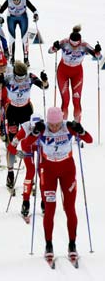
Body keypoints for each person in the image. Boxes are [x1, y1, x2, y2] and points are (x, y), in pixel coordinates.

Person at [21, 107, 92, 262]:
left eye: (57, 124)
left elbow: (89, 140)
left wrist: (81, 130)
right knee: (50, 209)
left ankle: (72, 244)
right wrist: (34, 133)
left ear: (61, 120)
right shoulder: (42, 128)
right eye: (51, 125)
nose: (54, 128)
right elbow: (26, 144)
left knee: (69, 207)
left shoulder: (68, 127)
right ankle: (48, 245)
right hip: (48, 171)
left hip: (67, 170)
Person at [0, 60, 48, 190]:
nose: (21, 80)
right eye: (19, 78)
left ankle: (32, 174)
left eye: (23, 77)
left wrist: (45, 80)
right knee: (12, 142)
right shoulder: (9, 78)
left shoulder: (30, 76)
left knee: (31, 141)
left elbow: (45, 87)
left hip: (27, 110)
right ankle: (10, 172)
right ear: (15, 74)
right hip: (12, 111)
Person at [48, 25, 102, 122]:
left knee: (76, 101)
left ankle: (77, 129)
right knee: (65, 101)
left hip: (77, 73)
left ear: (79, 42)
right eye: (71, 44)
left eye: (76, 45)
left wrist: (97, 51)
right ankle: (63, 127)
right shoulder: (64, 42)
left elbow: (99, 57)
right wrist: (54, 47)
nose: (73, 47)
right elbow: (50, 51)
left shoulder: (84, 45)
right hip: (63, 72)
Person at [0, 0, 39, 66]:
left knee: (24, 38)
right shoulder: (8, 0)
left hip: (22, 17)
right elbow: (0, 11)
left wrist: (36, 15)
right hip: (11, 18)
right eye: (14, 0)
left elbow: (34, 9)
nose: (16, 1)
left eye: (18, 0)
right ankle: (12, 59)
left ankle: (26, 59)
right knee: (12, 38)